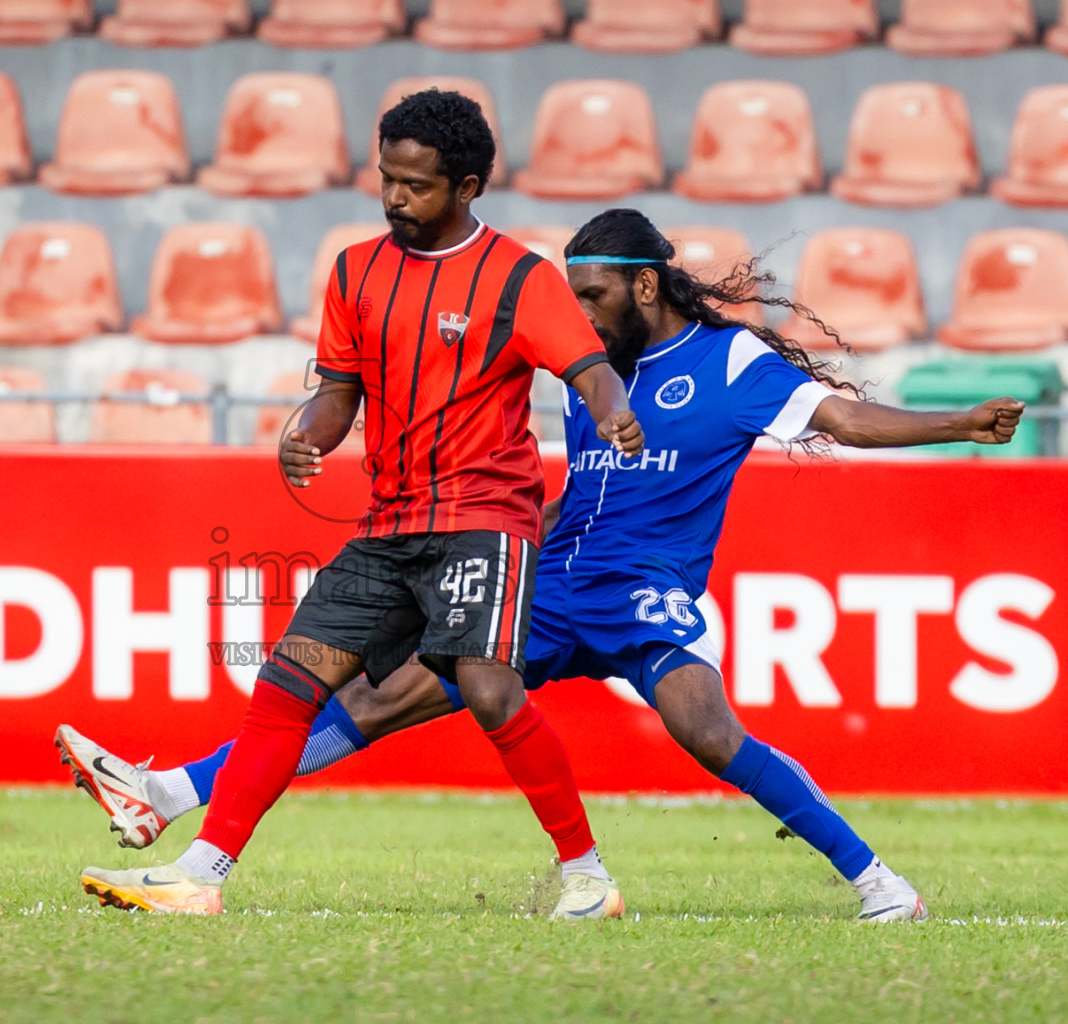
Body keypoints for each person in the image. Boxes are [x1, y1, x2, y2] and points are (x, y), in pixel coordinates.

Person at [59, 208, 1028, 923]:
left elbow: (846, 419)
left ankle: (877, 884)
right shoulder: (585, 371)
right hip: (555, 582)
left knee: (705, 727)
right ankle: (177, 792)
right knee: (390, 695)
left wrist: (959, 425)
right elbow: (584, 486)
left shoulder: (733, 363)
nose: (581, 312)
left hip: (648, 594)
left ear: (646, 286)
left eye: (596, 295)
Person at [59, 91, 645, 919]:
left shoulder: (521, 278)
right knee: (289, 681)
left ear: (468, 185)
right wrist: (306, 433)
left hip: (485, 517)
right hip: (389, 522)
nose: (395, 199)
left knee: (489, 691)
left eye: (416, 185)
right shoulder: (354, 270)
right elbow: (338, 396)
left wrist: (612, 410)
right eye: (386, 180)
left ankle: (587, 875)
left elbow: (590, 371)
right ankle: (202, 872)